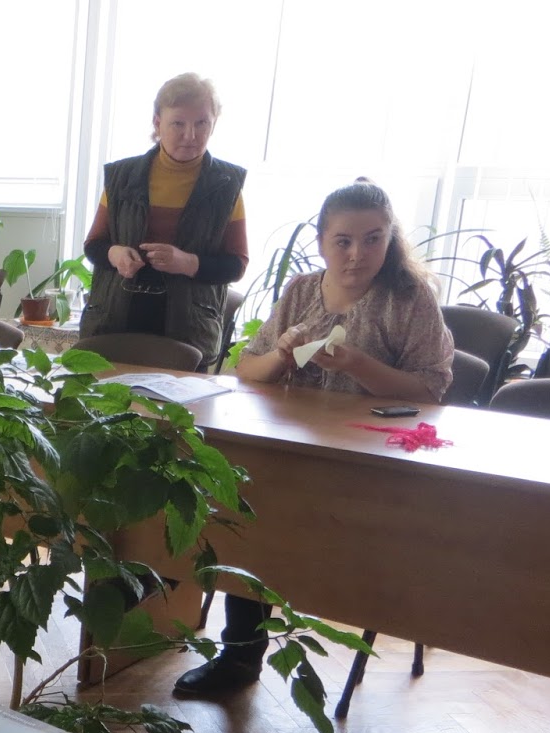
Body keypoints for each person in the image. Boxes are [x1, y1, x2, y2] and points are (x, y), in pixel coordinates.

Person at [174, 179, 454, 697]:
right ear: (322, 242)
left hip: (371, 463)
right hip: (293, 448)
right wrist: (280, 355)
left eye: (373, 239)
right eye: (343, 241)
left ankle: (262, 642)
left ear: (390, 239)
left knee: (278, 524)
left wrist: (358, 364)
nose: (357, 254)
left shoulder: (409, 298)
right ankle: (239, 656)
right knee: (247, 515)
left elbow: (431, 389)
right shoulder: (302, 290)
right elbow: (248, 370)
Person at [79, 73, 248, 371]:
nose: (191, 135)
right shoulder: (122, 178)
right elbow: (94, 245)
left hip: (189, 332)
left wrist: (188, 263)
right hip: (115, 323)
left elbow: (236, 265)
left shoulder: (226, 185)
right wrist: (115, 254)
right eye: (178, 124)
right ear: (157, 124)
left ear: (214, 124)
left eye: (202, 123)